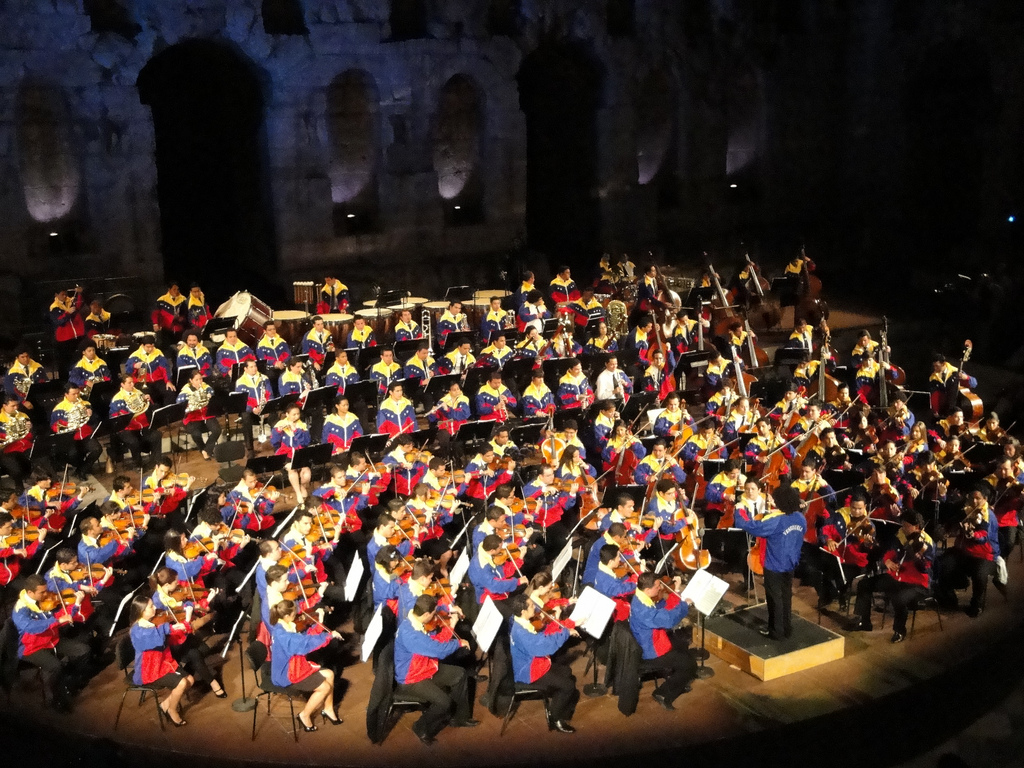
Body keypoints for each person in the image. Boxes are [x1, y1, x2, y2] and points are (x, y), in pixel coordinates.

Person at [394, 594, 477, 745]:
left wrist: (451, 627)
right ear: (425, 614)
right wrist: (458, 643)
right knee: (444, 702)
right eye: (433, 614)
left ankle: (459, 718)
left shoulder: (415, 622)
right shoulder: (411, 634)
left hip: (425, 668)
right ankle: (420, 727)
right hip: (411, 678)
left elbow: (434, 643)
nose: (435, 617)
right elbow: (439, 651)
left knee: (460, 674)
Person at [734, 484, 806, 640]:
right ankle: (786, 628)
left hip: (774, 564)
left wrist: (739, 510)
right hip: (791, 563)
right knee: (786, 596)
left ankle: (776, 631)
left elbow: (750, 526)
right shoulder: (800, 518)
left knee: (775, 599)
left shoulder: (776, 521)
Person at [852, 511, 934, 643]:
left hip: (917, 583)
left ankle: (899, 630)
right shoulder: (900, 536)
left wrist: (918, 558)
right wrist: (888, 561)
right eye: (902, 525)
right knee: (864, 584)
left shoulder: (927, 543)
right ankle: (864, 622)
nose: (903, 528)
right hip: (897, 577)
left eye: (906, 526)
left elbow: (926, 568)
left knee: (899, 599)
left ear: (916, 527)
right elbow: (890, 552)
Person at [12, 574, 90, 712]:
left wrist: (76, 603)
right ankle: (55, 700)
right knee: (55, 667)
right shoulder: (20, 610)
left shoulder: (45, 600)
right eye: (42, 592)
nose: (46, 594)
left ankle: (70, 682)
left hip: (51, 640)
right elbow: (30, 627)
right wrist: (55, 621)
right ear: (30, 592)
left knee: (83, 650)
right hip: (31, 647)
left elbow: (61, 616)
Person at [507, 592, 579, 733]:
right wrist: (565, 633)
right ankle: (555, 718)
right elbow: (542, 646)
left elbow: (541, 636)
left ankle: (559, 707)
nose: (535, 607)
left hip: (530, 663)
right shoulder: (521, 632)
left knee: (567, 672)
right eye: (532, 606)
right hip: (528, 671)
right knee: (568, 686)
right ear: (523, 611)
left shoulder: (518, 621)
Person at [268, 599, 344, 731]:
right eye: (293, 614)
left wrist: (319, 625)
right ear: (286, 616)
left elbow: (304, 637)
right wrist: (328, 636)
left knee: (330, 674)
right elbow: (305, 644)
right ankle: (304, 715)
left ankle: (328, 709)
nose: (296, 615)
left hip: (293, 666)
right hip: (287, 674)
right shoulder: (284, 635)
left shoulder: (282, 626)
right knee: (325, 687)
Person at [628, 571, 696, 710]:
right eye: (657, 586)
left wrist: (675, 591)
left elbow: (662, 609)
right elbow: (669, 620)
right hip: (649, 651)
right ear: (647, 589)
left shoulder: (640, 598)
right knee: (689, 664)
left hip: (649, 640)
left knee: (682, 642)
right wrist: (685, 606)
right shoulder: (643, 611)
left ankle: (678, 683)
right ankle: (664, 693)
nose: (660, 588)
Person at [127, 595, 195, 726]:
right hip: (148, 669)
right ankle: (172, 710)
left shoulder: (153, 621)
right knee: (181, 683)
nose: (155, 608)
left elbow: (166, 638)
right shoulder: (138, 630)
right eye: (151, 606)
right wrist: (169, 628)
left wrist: (183, 622)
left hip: (163, 662)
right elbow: (155, 638)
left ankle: (165, 704)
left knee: (190, 680)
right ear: (141, 611)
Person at [177, 370, 220, 460]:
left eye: (200, 379)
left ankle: (207, 450)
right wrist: (189, 400)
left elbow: (212, 392)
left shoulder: (206, 387)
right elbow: (179, 402)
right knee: (196, 434)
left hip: (206, 414)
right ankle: (203, 449)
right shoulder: (185, 391)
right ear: (191, 380)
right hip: (192, 417)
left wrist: (210, 395)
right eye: (196, 380)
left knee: (217, 430)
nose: (200, 382)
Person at [234, 359, 272, 459]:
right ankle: (250, 449)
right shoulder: (240, 382)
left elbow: (270, 395)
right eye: (251, 367)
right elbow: (241, 401)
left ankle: (278, 444)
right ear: (245, 369)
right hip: (251, 411)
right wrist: (252, 408)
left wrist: (266, 408)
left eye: (255, 366)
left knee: (275, 416)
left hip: (264, 408)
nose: (254, 368)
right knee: (245, 417)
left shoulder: (264, 378)